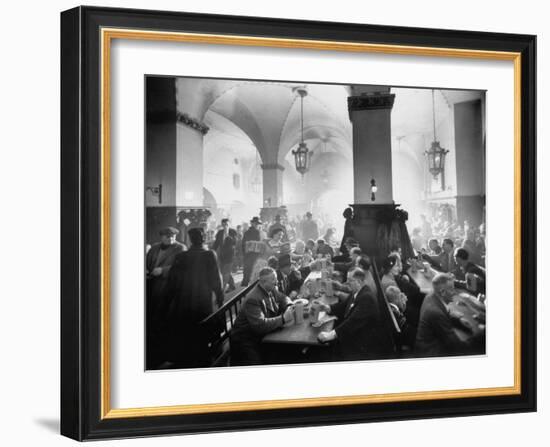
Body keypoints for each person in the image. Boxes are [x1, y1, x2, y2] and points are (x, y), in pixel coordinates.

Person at [161, 227, 224, 368]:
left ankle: (187, 358)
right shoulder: (210, 255)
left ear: (189, 240)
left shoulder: (181, 257)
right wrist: (220, 297)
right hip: (203, 300)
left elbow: (172, 282)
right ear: (203, 239)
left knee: (187, 328)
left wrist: (167, 301)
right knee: (203, 327)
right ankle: (203, 357)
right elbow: (216, 280)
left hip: (184, 301)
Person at [315, 267, 394, 361]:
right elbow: (344, 306)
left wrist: (330, 335)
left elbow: (352, 322)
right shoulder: (358, 291)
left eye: (350, 280)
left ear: (359, 282)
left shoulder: (367, 298)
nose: (346, 282)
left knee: (323, 351)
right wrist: (327, 307)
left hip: (362, 342)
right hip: (355, 331)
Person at [230, 267, 294, 365]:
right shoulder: (253, 299)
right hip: (245, 339)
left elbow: (283, 297)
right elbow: (260, 325)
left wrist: (290, 306)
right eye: (273, 279)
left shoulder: (271, 288)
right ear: (263, 282)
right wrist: (283, 318)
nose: (276, 281)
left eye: (276, 278)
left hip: (260, 334)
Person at [145, 226, 186, 368]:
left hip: (169, 287)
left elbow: (181, 267)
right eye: (167, 236)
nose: (170, 239)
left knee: (166, 317)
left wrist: (162, 270)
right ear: (161, 237)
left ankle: (164, 350)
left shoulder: (180, 248)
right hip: (152, 284)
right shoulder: (154, 248)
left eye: (172, 236)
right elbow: (147, 262)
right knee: (153, 316)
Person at [415, 273, 475, 357]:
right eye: (452, 289)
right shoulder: (435, 313)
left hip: (426, 343)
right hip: (430, 351)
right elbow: (455, 345)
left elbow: (444, 312)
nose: (454, 292)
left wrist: (459, 321)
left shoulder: (431, 295)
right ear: (442, 292)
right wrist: (477, 339)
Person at [241, 216, 262, 286]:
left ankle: (244, 287)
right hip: (253, 255)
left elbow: (243, 244)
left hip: (248, 255)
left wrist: (244, 253)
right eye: (255, 223)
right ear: (252, 223)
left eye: (257, 224)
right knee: (251, 272)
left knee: (247, 271)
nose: (256, 225)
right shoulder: (257, 232)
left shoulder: (247, 232)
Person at [219, 228, 237, 292]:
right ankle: (232, 286)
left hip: (226, 263)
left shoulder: (226, 248)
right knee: (227, 274)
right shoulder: (232, 247)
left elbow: (222, 255)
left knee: (226, 275)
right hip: (229, 262)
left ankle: (225, 288)